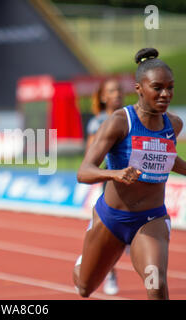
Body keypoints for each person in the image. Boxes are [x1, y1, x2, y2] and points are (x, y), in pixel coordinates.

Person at [72, 48, 186, 300]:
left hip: (151, 219)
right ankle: (83, 260)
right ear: (139, 88)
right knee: (84, 288)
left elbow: (164, 158)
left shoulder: (173, 124)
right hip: (112, 218)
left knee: (156, 284)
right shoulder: (120, 122)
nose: (165, 94)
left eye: (170, 87)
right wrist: (116, 174)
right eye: (157, 87)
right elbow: (83, 172)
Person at [84, 78, 124, 295]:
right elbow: (90, 159)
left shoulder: (133, 117)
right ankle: (110, 273)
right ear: (103, 97)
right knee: (110, 237)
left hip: (135, 185)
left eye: (119, 89)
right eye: (111, 91)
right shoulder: (97, 123)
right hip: (110, 185)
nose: (116, 94)